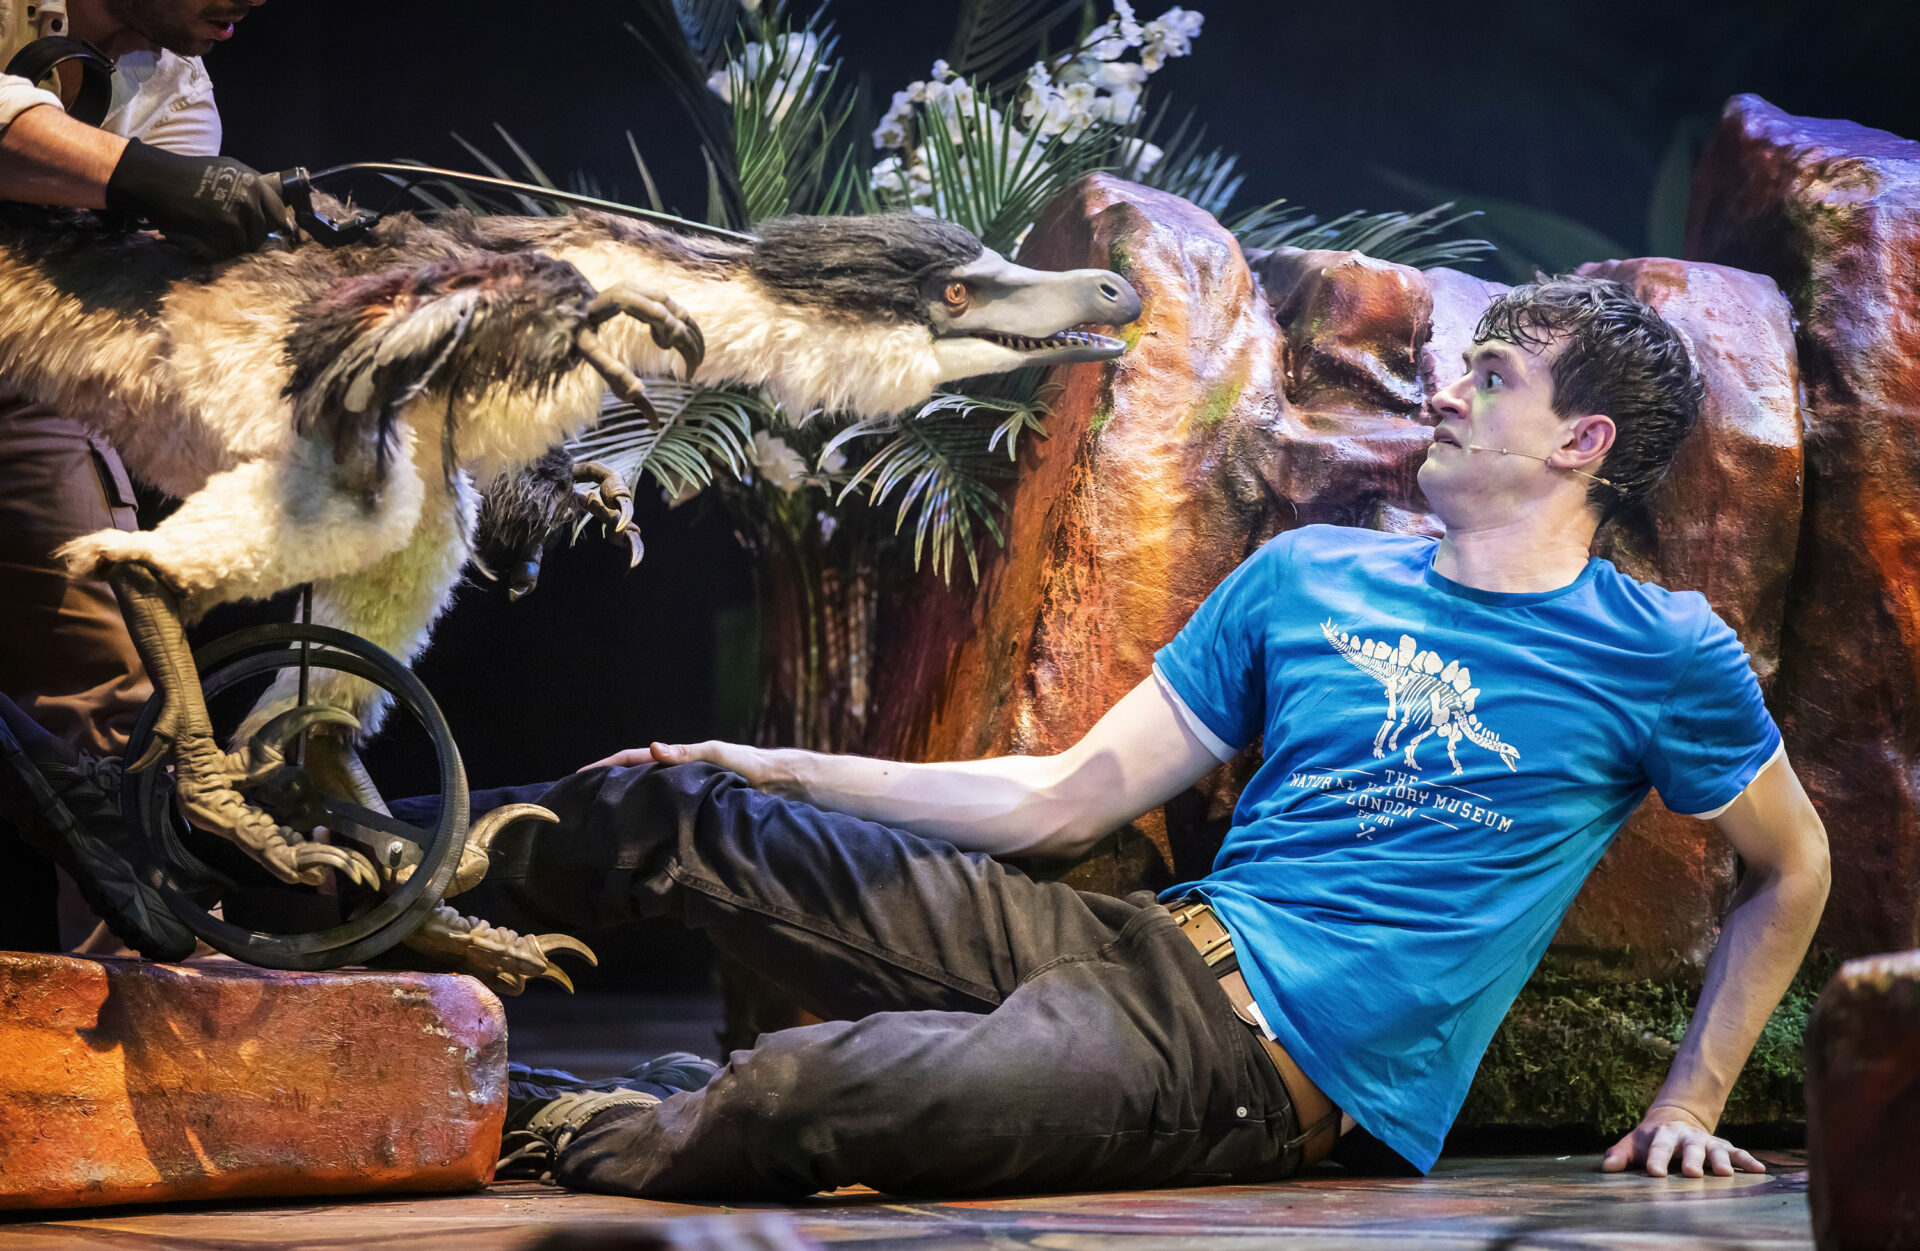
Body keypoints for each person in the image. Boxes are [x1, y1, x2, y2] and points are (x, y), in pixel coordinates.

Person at [446, 274, 1829, 1198]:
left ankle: (553, 1117)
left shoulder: (1660, 651)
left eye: (1496, 376)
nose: (1448, 392)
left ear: (1583, 441)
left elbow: (1795, 866)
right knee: (683, 813)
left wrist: (1692, 1097)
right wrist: (771, 769)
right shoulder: (1310, 575)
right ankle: (344, 873)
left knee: (804, 1092)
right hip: (1137, 943)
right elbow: (1060, 799)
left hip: (1243, 1063)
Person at [0, 0, 287, 954]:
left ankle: (159, 984)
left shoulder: (180, 87)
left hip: (22, 375)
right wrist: (144, 178)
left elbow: (131, 283)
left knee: (119, 687)